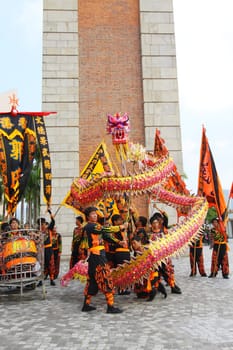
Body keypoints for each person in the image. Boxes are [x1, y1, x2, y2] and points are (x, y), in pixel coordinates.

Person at [81, 206, 126, 313]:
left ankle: (86, 305)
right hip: (97, 256)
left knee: (92, 280)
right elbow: (105, 229)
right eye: (92, 214)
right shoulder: (91, 226)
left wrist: (119, 242)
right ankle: (110, 306)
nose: (95, 215)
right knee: (105, 277)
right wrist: (120, 227)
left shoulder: (95, 226)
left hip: (95, 256)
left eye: (95, 213)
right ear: (88, 217)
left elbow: (106, 236)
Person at [149, 215, 182, 294]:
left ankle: (172, 286)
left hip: (164, 256)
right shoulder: (150, 235)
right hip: (155, 257)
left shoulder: (164, 232)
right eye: (153, 223)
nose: (155, 224)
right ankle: (156, 287)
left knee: (167, 271)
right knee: (155, 272)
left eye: (156, 222)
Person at [131, 235, 167, 301]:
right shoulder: (136, 252)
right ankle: (159, 290)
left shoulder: (145, 249)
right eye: (132, 244)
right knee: (141, 294)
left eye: (134, 243)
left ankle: (153, 292)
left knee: (151, 283)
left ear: (139, 242)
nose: (133, 245)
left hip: (152, 270)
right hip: (144, 272)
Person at [111, 214, 131, 295]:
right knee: (121, 270)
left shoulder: (122, 230)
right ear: (115, 222)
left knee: (125, 270)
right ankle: (121, 288)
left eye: (121, 220)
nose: (121, 222)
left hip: (126, 251)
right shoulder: (114, 230)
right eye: (119, 220)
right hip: (120, 252)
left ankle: (124, 287)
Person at [37, 209, 56, 286]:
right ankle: (40, 280)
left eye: (44, 224)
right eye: (41, 224)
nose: (43, 225)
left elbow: (53, 221)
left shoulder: (49, 229)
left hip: (49, 249)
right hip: (41, 249)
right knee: (41, 265)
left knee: (50, 264)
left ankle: (51, 279)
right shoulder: (37, 231)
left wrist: (50, 212)